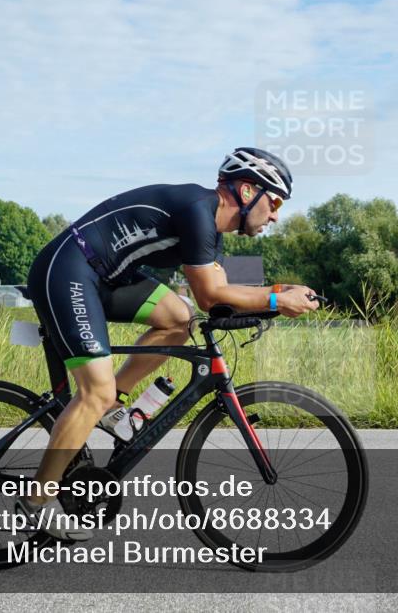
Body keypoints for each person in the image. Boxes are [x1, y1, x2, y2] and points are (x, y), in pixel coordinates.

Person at [18, 147, 320, 539]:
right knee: (94, 391)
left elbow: (218, 296)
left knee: (179, 319)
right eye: (274, 201)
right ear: (248, 192)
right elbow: (212, 296)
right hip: (68, 269)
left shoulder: (210, 230)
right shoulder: (198, 210)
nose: (276, 214)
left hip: (105, 274)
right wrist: (278, 299)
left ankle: (112, 405)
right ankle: (36, 502)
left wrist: (278, 293)